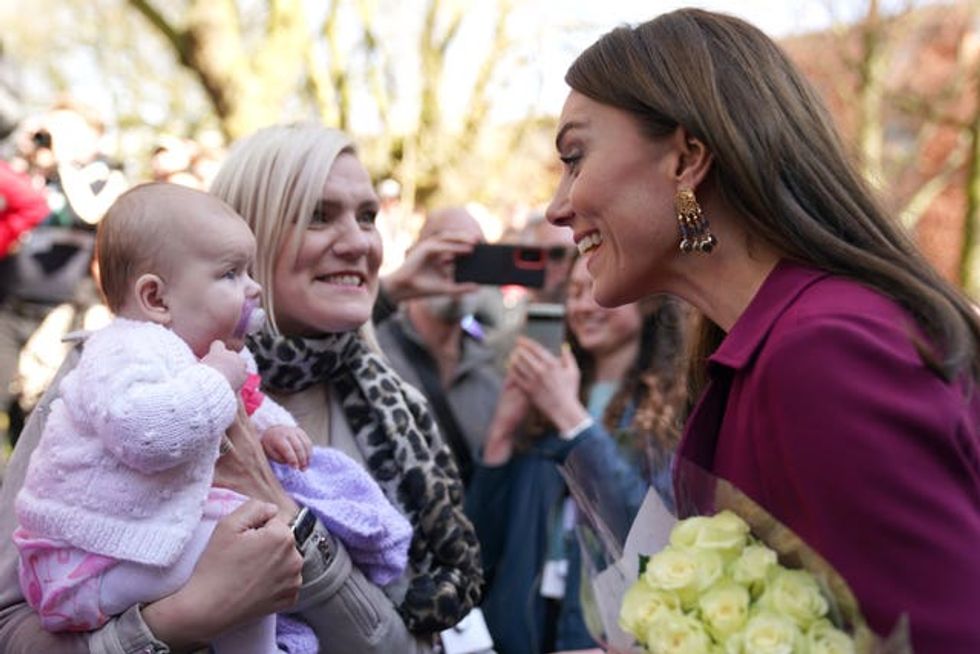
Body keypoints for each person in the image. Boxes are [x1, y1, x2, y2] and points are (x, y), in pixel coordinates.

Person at [544, 9, 980, 654]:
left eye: (575, 159)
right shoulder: (768, 348)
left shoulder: (827, 350)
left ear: (687, 159)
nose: (557, 207)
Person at [13, 182, 412, 653]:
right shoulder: (122, 351)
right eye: (231, 274)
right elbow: (146, 433)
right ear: (157, 299)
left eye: (249, 272)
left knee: (253, 554)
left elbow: (249, 404)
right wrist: (217, 382)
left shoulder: (218, 356)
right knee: (251, 552)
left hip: (139, 552)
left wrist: (274, 428)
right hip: (84, 559)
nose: (253, 288)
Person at [210, 122, 483, 652]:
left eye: (367, 217)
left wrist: (294, 525)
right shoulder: (135, 380)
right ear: (246, 234)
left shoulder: (397, 409)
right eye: (319, 214)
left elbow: (410, 643)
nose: (359, 242)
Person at [465, 255, 689, 654]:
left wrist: (571, 418)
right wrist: (500, 434)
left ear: (646, 299)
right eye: (573, 292)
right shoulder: (540, 398)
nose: (583, 306)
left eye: (596, 289)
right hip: (521, 630)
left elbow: (652, 532)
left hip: (607, 636)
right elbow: (479, 543)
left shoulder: (669, 411)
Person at [375, 207, 502, 486]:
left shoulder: (495, 368)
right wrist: (395, 287)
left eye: (473, 253)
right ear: (413, 256)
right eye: (443, 244)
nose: (454, 261)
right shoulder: (371, 347)